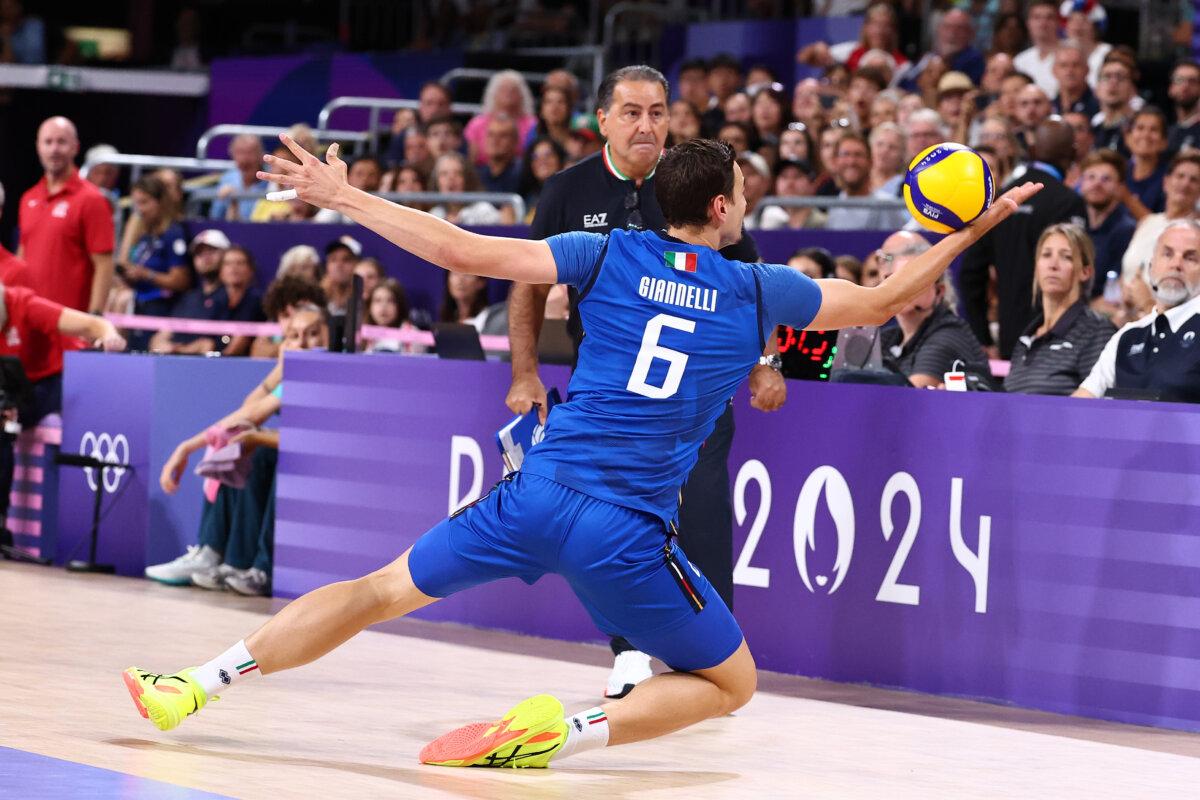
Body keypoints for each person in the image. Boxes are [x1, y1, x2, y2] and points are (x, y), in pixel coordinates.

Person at [123, 131, 1040, 766]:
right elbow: (882, 302)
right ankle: (561, 735)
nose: (749, 201)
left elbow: (463, 248)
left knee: (376, 591)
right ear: (721, 207)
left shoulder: (606, 255)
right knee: (732, 682)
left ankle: (194, 685)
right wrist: (976, 227)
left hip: (536, 492)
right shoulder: (760, 290)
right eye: (746, 193)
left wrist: (346, 197)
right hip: (624, 531)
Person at [503, 65, 776, 701]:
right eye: (631, 112)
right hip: (611, 398)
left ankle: (711, 651)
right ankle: (628, 650)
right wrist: (524, 373)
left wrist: (767, 363)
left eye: (657, 111)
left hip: (698, 398)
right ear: (602, 120)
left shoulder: (694, 184)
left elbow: (755, 282)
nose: (646, 124)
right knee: (618, 519)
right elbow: (528, 284)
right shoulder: (568, 190)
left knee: (704, 515)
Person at [145, 306, 328, 596]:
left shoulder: (334, 374)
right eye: (293, 336)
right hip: (292, 446)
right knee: (239, 444)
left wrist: (255, 437)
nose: (303, 343)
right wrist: (187, 447)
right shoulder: (293, 379)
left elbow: (313, 440)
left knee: (259, 448)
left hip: (327, 467)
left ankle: (258, 568)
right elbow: (248, 412)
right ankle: (219, 555)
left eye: (313, 334)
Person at [961, 119, 1087, 358]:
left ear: (1031, 151)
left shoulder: (1002, 200)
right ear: (1073, 154)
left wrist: (982, 337)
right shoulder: (1068, 202)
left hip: (1009, 336)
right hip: (1059, 338)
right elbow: (1079, 274)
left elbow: (970, 274)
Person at [1075, 221, 1200, 402]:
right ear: (1151, 267)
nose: (1176, 264)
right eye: (1167, 254)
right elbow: (1080, 402)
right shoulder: (1126, 336)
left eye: (1190, 258)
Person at [18, 116, 114, 315]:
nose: (54, 149)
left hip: (72, 322)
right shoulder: (28, 198)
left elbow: (104, 265)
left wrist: (94, 319)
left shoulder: (92, 199)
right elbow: (23, 252)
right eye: (48, 142)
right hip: (31, 318)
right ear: (38, 147)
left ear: (75, 147)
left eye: (61, 142)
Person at [1005, 223, 1115, 394]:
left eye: (1066, 257)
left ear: (1085, 272)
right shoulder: (1026, 339)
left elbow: (1099, 405)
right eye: (1046, 255)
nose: (1053, 265)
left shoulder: (1097, 332)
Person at [878, 234, 992, 388]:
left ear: (939, 290)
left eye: (916, 280)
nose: (904, 288)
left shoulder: (949, 335)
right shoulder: (888, 338)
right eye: (896, 279)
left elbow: (910, 396)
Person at [119, 174, 191, 325]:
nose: (140, 210)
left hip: (162, 308)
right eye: (136, 204)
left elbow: (181, 281)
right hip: (140, 304)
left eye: (144, 202)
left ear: (161, 202)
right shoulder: (146, 234)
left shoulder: (173, 233)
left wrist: (146, 274)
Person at [149, 229, 230, 354]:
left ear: (227, 255)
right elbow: (161, 336)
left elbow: (217, 344)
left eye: (212, 251)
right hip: (174, 363)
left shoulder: (231, 296)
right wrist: (160, 344)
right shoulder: (188, 297)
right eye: (199, 253)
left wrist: (184, 350)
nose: (205, 257)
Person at [1078, 150, 1137, 298]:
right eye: (1091, 177)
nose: (1097, 184)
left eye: (1106, 179)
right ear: (1081, 183)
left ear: (1119, 187)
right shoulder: (1071, 219)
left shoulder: (1126, 229)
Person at [464, 71, 537, 166]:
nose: (508, 93)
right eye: (503, 89)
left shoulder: (533, 124)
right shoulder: (477, 124)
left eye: (513, 90)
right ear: (493, 94)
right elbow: (471, 159)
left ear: (522, 95)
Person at [1122, 108, 1170, 218]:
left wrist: (1126, 198)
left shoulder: (1170, 178)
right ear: (1127, 137)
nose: (1146, 135)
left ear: (1164, 142)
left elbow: (1160, 225)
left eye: (1154, 130)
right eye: (1140, 128)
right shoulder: (1118, 171)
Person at [209, 135, 268, 221]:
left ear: (260, 155)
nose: (244, 159)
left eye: (250, 152)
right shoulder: (227, 178)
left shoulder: (271, 179)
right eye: (240, 152)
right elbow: (215, 217)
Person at [757, 159, 827, 231]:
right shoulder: (766, 223)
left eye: (797, 176)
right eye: (784, 176)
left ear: (811, 185)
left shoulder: (825, 224)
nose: (790, 183)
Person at [1091, 52, 1138, 156]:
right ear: (1096, 89)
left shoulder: (1138, 130)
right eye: (1107, 77)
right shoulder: (1091, 130)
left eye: (1120, 77)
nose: (1113, 82)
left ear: (1132, 89)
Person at [1013, 1, 1062, 97]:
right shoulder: (1020, 60)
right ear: (1028, 23)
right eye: (1037, 17)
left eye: (1049, 18)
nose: (1043, 23)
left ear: (1058, 22)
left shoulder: (1071, 56)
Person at [362, 278, 415, 353]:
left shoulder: (413, 333)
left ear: (399, 306)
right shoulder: (360, 334)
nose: (383, 306)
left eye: (390, 301)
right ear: (369, 306)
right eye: (377, 300)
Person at [1051, 41, 1099, 118]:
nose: (1070, 71)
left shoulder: (1100, 105)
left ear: (1087, 69)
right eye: (1063, 65)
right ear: (1054, 71)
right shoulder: (1049, 107)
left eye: (1076, 65)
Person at [477, 114, 522, 194]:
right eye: (491, 135)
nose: (495, 140)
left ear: (515, 141)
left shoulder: (523, 174)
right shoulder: (477, 175)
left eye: (503, 136)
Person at [321, 236, 360, 316]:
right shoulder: (317, 296)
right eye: (333, 260)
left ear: (357, 265)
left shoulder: (365, 298)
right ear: (327, 265)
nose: (339, 265)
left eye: (346, 260)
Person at [1167, 61, 1200, 155]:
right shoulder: (1165, 133)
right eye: (1179, 80)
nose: (1185, 86)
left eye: (1192, 81)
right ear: (1171, 88)